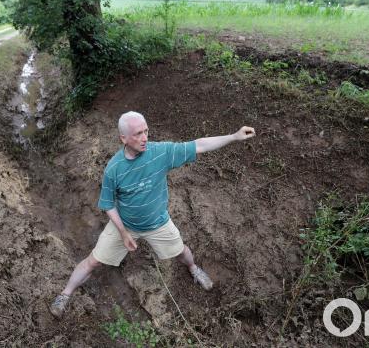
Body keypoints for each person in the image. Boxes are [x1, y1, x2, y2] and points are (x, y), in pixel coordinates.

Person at [50, 111, 256, 318]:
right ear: (123, 138)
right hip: (125, 224)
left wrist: (233, 136)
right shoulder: (114, 169)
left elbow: (199, 145)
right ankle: (65, 294)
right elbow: (108, 205)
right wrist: (123, 233)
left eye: (146, 131)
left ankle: (193, 268)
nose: (145, 138)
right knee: (93, 261)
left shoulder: (160, 152)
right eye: (138, 134)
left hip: (158, 222)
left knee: (181, 251)